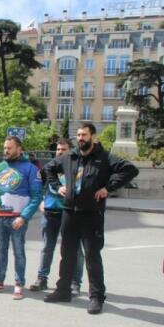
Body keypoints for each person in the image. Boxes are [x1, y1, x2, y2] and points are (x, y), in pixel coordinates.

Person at [43, 123, 139, 314]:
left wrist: (108, 188)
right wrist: (57, 186)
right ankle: (63, 290)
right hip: (70, 212)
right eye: (78, 135)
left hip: (92, 214)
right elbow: (48, 169)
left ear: (93, 137)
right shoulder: (69, 157)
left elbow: (130, 170)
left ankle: (96, 297)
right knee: (67, 254)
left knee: (92, 256)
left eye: (84, 135)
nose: (80, 138)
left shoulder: (104, 158)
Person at [0, 136, 43, 300]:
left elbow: (36, 196)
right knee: (1, 250)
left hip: (17, 220)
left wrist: (24, 217)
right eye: (4, 148)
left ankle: (18, 283)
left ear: (19, 149)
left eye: (9, 148)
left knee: (18, 251)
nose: (5, 151)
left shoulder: (30, 168)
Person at [29, 138, 85, 296]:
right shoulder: (50, 167)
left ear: (71, 150)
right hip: (50, 212)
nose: (60, 152)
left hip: (70, 213)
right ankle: (42, 279)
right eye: (58, 149)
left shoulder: (77, 167)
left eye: (64, 149)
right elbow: (37, 186)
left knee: (76, 250)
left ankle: (75, 282)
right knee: (47, 247)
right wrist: (40, 201)